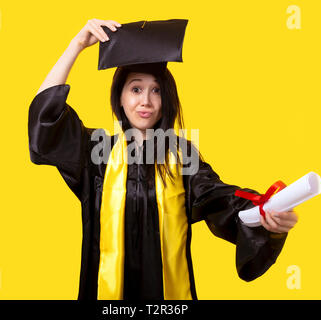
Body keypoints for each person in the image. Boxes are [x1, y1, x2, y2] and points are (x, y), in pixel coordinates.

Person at [28, 19, 298, 300]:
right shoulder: (96, 153)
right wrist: (77, 46)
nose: (145, 100)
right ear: (119, 97)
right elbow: (45, 118)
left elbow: (225, 201)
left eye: (156, 90)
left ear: (166, 99)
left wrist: (268, 214)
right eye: (135, 89)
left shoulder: (181, 158)